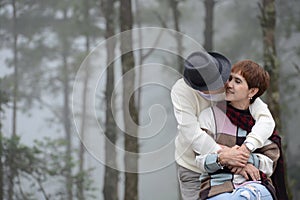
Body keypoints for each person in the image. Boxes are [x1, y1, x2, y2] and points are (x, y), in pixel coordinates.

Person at [170, 51, 275, 200]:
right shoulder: (182, 91)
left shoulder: (230, 83)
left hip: (229, 173)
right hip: (193, 165)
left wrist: (244, 151)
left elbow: (266, 120)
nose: (227, 84)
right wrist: (229, 157)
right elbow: (191, 134)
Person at [195, 60, 281, 199]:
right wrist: (223, 159)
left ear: (252, 91)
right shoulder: (209, 116)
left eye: (237, 81)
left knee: (248, 196)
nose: (229, 84)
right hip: (217, 187)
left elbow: (270, 164)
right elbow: (200, 161)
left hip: (255, 184)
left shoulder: (260, 122)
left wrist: (244, 159)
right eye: (230, 79)